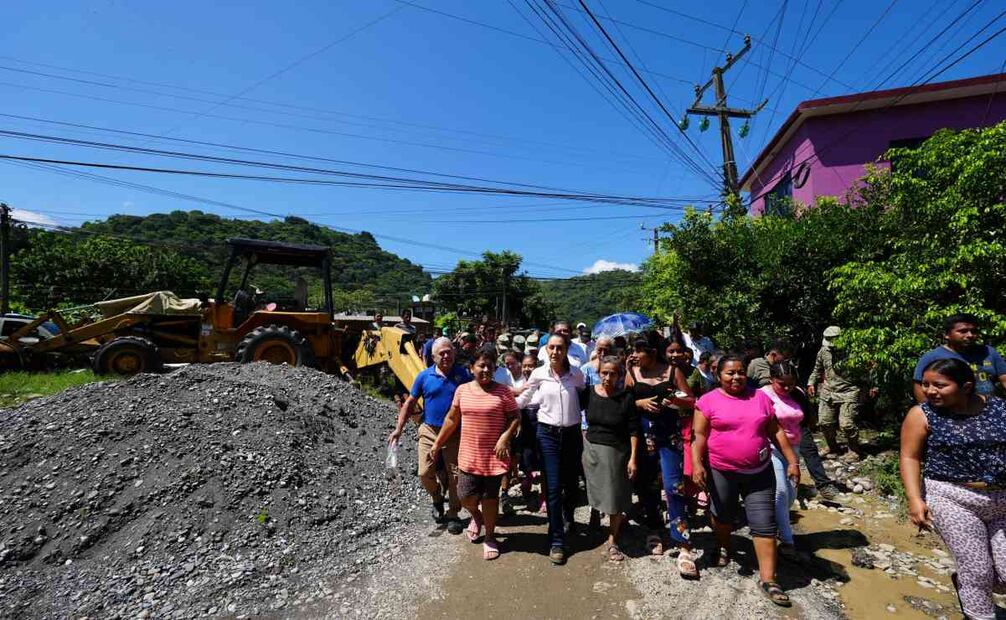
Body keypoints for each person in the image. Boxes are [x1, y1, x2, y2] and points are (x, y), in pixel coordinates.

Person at [900, 358, 1006, 620]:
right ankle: (979, 614)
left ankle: (965, 583)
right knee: (977, 569)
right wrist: (914, 498)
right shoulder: (921, 414)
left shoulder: (999, 408)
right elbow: (910, 457)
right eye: (926, 384)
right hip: (952, 496)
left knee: (1003, 575)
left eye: (939, 385)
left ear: (966, 387)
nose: (929, 391)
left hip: (1001, 497)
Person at [692, 355, 800, 607]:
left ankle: (769, 580)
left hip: (759, 472)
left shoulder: (760, 398)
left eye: (740, 372)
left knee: (764, 522)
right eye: (730, 373)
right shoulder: (707, 401)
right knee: (723, 516)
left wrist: (792, 461)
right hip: (721, 470)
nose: (736, 377)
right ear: (718, 375)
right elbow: (699, 435)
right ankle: (723, 545)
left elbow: (775, 430)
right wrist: (697, 464)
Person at [429, 348, 520, 561]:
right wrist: (437, 443)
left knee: (490, 498)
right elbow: (452, 419)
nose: (486, 369)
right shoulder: (462, 390)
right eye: (481, 365)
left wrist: (504, 438)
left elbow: (515, 417)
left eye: (490, 366)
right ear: (471, 368)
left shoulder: (503, 392)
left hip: (494, 456)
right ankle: (477, 517)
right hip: (469, 455)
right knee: (465, 496)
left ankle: (489, 537)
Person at [626, 330, 698, 578]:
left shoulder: (672, 371)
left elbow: (691, 400)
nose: (635, 354)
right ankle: (654, 529)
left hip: (669, 437)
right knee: (647, 485)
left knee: (674, 486)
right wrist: (639, 403)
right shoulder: (632, 372)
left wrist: (675, 400)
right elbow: (622, 402)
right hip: (642, 438)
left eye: (639, 350)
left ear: (653, 352)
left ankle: (683, 542)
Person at [388, 337, 472, 535]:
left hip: (454, 432)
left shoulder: (463, 375)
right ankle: (436, 498)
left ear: (454, 353)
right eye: (441, 353)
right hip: (429, 430)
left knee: (456, 476)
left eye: (449, 351)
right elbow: (410, 403)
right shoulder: (424, 377)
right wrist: (398, 429)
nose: (446, 356)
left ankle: (453, 514)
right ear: (433, 357)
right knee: (424, 472)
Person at [517, 334, 585, 565]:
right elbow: (524, 398)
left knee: (571, 485)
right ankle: (557, 540)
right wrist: (499, 404)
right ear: (546, 350)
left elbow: (584, 395)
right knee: (553, 487)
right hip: (547, 435)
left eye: (560, 348)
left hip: (572, 435)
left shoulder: (576, 374)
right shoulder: (539, 373)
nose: (555, 352)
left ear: (566, 350)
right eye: (551, 347)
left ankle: (567, 518)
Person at [581, 356, 639, 562]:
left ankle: (613, 538)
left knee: (615, 496)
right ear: (598, 373)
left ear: (619, 375)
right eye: (604, 373)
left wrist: (633, 458)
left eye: (612, 373)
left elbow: (633, 430)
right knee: (594, 489)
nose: (607, 377)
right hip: (591, 449)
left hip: (616, 452)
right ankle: (594, 517)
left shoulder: (625, 398)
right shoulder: (588, 393)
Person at [807, 326, 874, 461]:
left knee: (846, 424)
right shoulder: (824, 351)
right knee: (825, 422)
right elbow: (817, 369)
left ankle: (854, 450)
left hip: (849, 391)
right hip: (828, 391)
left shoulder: (855, 352)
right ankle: (832, 447)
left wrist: (872, 386)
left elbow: (870, 369)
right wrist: (811, 382)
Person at [759, 361, 804, 555]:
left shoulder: (798, 394)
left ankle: (776, 521)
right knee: (781, 492)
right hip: (771, 447)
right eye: (782, 384)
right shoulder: (762, 395)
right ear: (771, 379)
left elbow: (806, 418)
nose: (786, 388)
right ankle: (787, 540)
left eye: (790, 384)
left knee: (792, 493)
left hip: (794, 447)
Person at [913, 313, 1006, 402]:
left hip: (989, 408)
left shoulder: (988, 352)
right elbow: (919, 386)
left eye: (973, 331)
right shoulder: (932, 357)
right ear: (946, 335)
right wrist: (928, 411)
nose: (970, 335)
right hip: (949, 410)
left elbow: (1004, 378)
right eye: (963, 331)